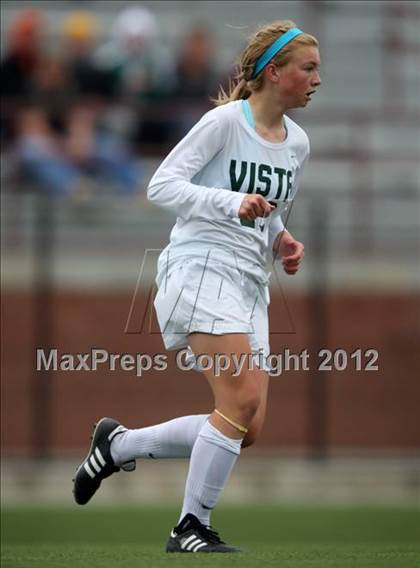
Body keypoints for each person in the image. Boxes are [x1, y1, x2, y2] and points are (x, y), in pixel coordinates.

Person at [73, 20, 321, 553]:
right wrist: (231, 203)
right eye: (309, 68)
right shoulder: (224, 122)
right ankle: (189, 526)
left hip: (252, 281)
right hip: (201, 265)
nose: (316, 79)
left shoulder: (297, 143)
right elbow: (162, 184)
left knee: (245, 425)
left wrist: (282, 241)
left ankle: (118, 447)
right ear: (275, 73)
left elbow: (265, 212)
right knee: (241, 399)